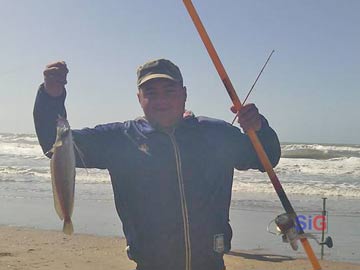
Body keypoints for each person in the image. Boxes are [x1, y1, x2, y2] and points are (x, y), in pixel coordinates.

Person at [33, 58, 281, 270]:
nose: (161, 100)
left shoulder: (215, 134)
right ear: (139, 98)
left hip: (211, 262)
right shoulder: (121, 139)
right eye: (151, 93)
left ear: (184, 94)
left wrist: (259, 128)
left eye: (169, 91)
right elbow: (53, 144)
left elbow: (267, 158)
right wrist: (51, 97)